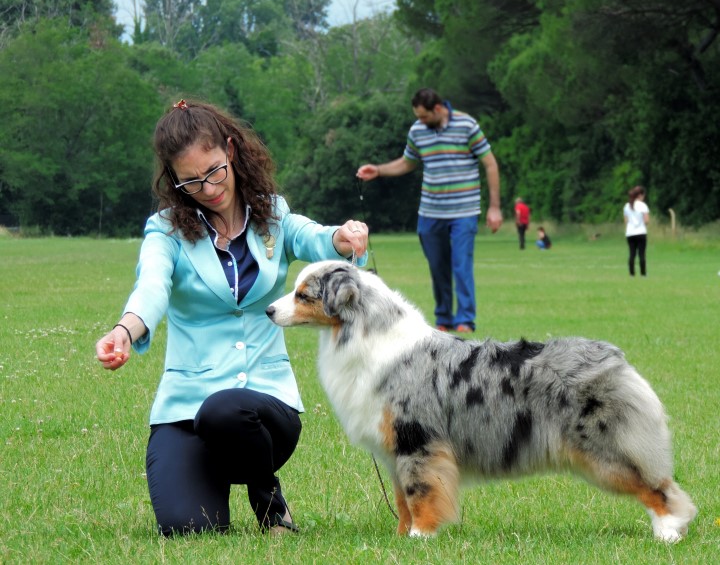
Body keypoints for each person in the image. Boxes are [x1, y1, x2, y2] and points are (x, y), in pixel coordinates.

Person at [95, 99, 368, 537]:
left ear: (231, 151)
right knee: (189, 528)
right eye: (191, 181)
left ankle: (268, 500)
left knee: (226, 408)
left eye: (214, 170)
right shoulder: (165, 231)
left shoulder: (273, 215)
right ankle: (212, 478)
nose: (208, 188)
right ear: (174, 181)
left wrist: (342, 236)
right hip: (186, 407)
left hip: (264, 408)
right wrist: (125, 329)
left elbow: (318, 239)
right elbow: (152, 287)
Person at [356, 88, 502, 333]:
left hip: (463, 211)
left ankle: (465, 320)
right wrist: (378, 170)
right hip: (430, 212)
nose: (420, 121)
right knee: (437, 266)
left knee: (461, 265)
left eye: (423, 116)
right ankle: (443, 319)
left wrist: (495, 207)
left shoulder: (467, 125)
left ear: (437, 109)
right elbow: (407, 162)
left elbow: (490, 163)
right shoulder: (418, 131)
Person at [623, 185, 649, 276]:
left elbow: (626, 221)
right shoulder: (643, 206)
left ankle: (632, 273)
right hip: (641, 232)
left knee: (632, 254)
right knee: (641, 254)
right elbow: (646, 220)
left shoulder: (627, 206)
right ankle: (643, 273)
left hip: (630, 233)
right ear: (640, 195)